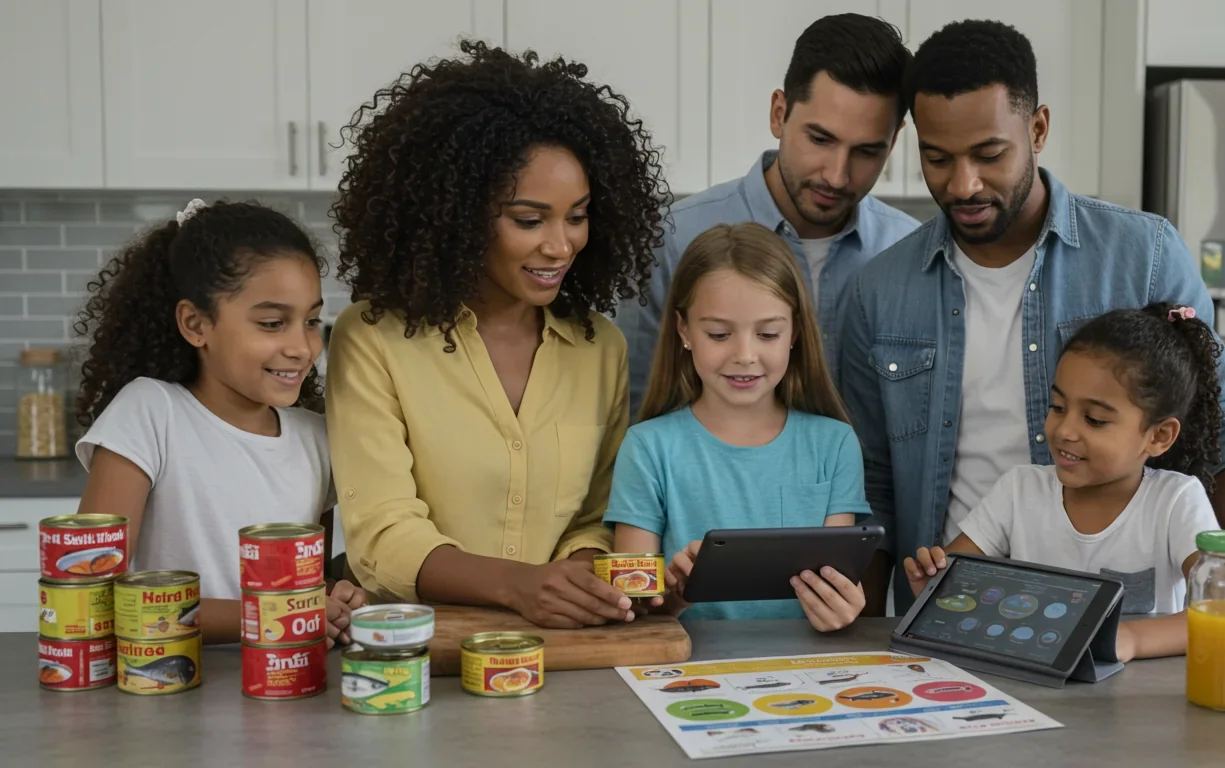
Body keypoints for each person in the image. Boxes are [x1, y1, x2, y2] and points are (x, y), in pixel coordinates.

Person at [838, 19, 1225, 640]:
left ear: (1039, 128)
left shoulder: (1144, 254)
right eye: (937, 158)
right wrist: (856, 627)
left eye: (989, 154)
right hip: (960, 618)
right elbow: (872, 481)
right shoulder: (880, 289)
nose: (962, 184)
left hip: (1127, 627)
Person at [325, 41, 669, 629]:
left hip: (558, 645)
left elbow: (595, 516)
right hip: (413, 652)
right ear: (456, 214)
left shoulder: (599, 348)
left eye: (578, 216)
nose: (561, 246)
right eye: (529, 220)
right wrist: (519, 587)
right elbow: (383, 533)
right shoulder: (373, 338)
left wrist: (579, 580)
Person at [72, 199, 366, 646]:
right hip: (162, 689)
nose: (303, 348)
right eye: (272, 323)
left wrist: (334, 598)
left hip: (285, 691)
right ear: (195, 324)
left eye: (310, 321)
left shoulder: (315, 437)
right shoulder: (150, 414)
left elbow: (298, 588)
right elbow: (93, 595)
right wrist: (271, 614)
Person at [622, 13, 920, 414]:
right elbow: (638, 406)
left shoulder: (911, 251)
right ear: (779, 113)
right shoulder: (674, 239)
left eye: (867, 151)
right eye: (819, 139)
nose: (836, 175)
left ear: (895, 139)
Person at [905, 303, 1224, 661]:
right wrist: (935, 588)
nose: (1064, 430)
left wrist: (1130, 639)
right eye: (1057, 407)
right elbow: (955, 589)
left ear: (1159, 436)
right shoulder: (1018, 491)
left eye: (1095, 419)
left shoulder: (1176, 501)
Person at [606, 223, 872, 630]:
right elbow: (631, 609)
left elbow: (834, 586)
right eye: (719, 333)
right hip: (684, 671)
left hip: (806, 675)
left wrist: (843, 610)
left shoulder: (834, 445)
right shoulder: (647, 448)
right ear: (684, 330)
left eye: (767, 334)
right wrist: (673, 597)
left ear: (794, 333)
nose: (745, 355)